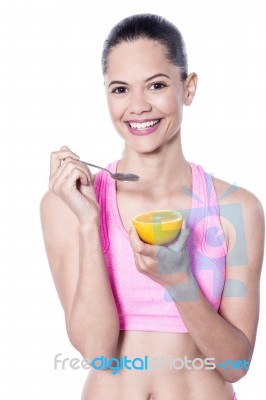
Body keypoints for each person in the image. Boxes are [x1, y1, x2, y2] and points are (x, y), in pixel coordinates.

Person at [40, 13, 264, 400]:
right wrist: (90, 224)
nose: (138, 106)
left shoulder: (235, 210)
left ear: (188, 88)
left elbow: (235, 365)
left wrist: (180, 283)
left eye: (156, 85)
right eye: (121, 89)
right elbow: (98, 352)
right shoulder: (67, 205)